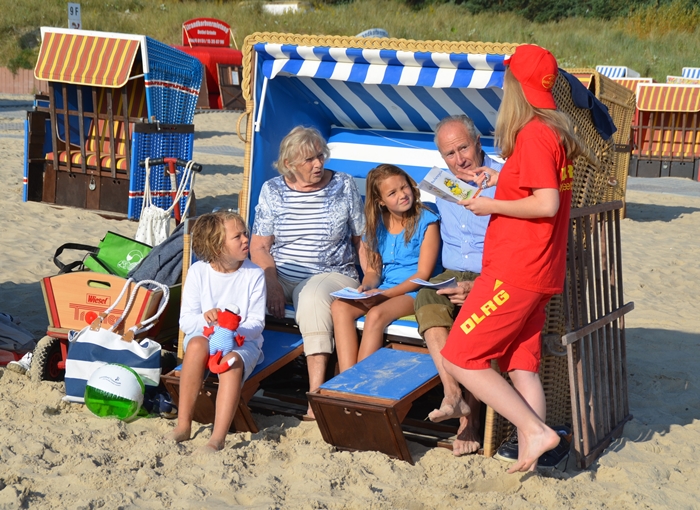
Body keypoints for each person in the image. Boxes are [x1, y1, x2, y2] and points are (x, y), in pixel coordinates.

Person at [441, 44, 585, 473]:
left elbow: (546, 206)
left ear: (516, 87)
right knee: (521, 365)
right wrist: (500, 180)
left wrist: (493, 205)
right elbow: (541, 189)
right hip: (539, 270)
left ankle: (536, 431)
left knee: (460, 355)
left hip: (516, 269)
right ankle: (531, 451)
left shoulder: (535, 134)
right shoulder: (551, 131)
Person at [250, 126, 365, 419]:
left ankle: (316, 395)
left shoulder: (343, 185)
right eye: (309, 160)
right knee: (240, 292)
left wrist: (372, 279)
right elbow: (260, 247)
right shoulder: (272, 190)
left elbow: (360, 239)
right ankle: (234, 376)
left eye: (320, 156)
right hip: (281, 273)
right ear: (289, 164)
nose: (318, 164)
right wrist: (271, 281)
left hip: (332, 272)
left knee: (312, 296)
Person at [413, 114, 503, 456]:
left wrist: (481, 286)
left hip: (493, 274)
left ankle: (471, 421)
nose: (459, 159)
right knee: (425, 295)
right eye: (449, 154)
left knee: (472, 322)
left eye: (463, 147)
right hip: (451, 273)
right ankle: (452, 395)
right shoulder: (440, 183)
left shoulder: (503, 178)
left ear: (478, 142)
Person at [165, 211, 266, 453]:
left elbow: (257, 324)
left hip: (242, 342)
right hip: (206, 338)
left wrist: (233, 329)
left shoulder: (254, 274)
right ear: (217, 246)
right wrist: (208, 320)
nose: (245, 240)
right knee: (197, 345)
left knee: (231, 363)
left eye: (245, 234)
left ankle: (217, 437)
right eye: (237, 236)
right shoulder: (199, 272)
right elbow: (187, 321)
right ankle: (184, 424)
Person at [332, 164, 441, 371]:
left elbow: (423, 274)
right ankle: (345, 380)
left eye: (404, 187)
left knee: (375, 315)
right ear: (380, 201)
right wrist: (366, 288)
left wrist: (384, 294)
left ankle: (359, 383)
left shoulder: (427, 221)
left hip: (417, 291)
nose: (402, 195)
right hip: (385, 289)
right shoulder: (376, 225)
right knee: (339, 307)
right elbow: (373, 272)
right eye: (392, 193)